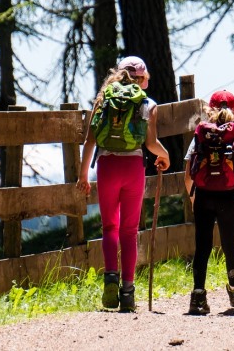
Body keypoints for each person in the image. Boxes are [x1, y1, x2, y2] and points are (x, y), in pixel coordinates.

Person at [76, 56, 170, 312]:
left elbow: (90, 141)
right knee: (129, 231)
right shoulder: (148, 104)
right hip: (133, 168)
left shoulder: (103, 99)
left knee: (110, 228)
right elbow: (150, 144)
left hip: (107, 166)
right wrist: (165, 156)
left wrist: (83, 176)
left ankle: (110, 278)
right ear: (143, 79)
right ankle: (127, 291)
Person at [184, 90, 234, 315]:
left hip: (203, 196)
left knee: (202, 247)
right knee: (229, 245)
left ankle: (198, 296)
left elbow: (189, 173)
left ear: (209, 110)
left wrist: (193, 198)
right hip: (228, 197)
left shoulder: (200, 137)